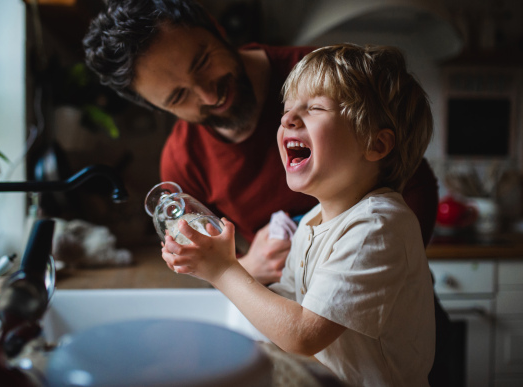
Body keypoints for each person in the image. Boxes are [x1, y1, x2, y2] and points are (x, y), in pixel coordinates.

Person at [82, 0, 439, 285]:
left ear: (216, 27)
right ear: (157, 107)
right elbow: (211, 262)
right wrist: (247, 267)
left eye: (202, 62)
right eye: (178, 97)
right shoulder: (182, 161)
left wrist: (380, 276)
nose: (209, 95)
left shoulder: (323, 79)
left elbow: (416, 181)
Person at [161, 43, 436, 386]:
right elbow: (281, 313)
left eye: (315, 108)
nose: (287, 118)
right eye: (287, 109)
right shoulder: (310, 222)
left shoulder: (378, 225)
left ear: (376, 145)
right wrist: (218, 264)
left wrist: (222, 269)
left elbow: (304, 334)